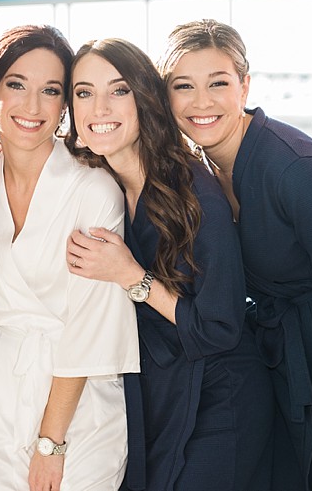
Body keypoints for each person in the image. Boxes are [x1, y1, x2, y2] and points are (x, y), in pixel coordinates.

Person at [156, 19, 312, 491]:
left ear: (245, 85)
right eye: (183, 86)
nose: (201, 102)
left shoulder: (294, 170)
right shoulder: (198, 166)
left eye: (219, 83)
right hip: (276, 368)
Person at [64, 38, 274, 491]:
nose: (99, 107)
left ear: (144, 98)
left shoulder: (193, 193)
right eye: (83, 92)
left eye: (118, 90)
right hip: (155, 395)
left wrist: (132, 277)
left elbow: (220, 327)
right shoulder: (96, 177)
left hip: (219, 397)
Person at [0, 25, 139, 491]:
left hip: (80, 405)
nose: (32, 106)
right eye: (16, 85)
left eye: (51, 91)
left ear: (64, 106)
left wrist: (51, 442)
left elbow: (90, 325)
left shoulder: (92, 188)